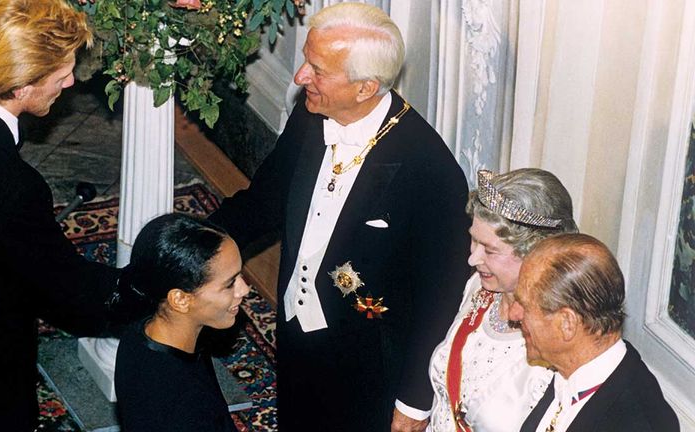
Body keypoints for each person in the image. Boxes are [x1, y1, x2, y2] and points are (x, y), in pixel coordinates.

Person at [209, 3, 471, 431]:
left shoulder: (430, 171)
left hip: (372, 367)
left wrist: (414, 400)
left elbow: (440, 296)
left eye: (317, 69)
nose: (300, 77)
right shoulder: (310, 116)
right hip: (296, 334)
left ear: (366, 87)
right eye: (305, 62)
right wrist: (191, 245)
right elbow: (264, 202)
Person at [0, 0, 121, 430]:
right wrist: (154, 288)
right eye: (61, 74)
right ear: (20, 87)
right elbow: (70, 292)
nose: (70, 82)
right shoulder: (16, 189)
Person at [428, 169, 578, 431]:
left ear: (536, 253)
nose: (472, 259)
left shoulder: (556, 338)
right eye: (474, 240)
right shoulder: (479, 286)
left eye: (490, 250)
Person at [511, 233, 680, 432]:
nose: (513, 313)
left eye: (524, 305)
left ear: (567, 324)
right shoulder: (571, 370)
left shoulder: (636, 423)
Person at [113, 213, 249, 432]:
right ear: (180, 299)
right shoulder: (182, 406)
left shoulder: (141, 331)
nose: (244, 289)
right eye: (229, 284)